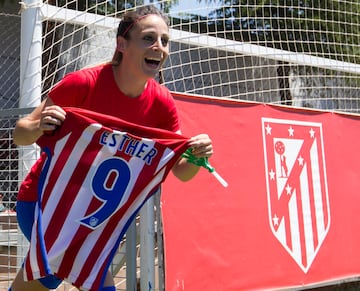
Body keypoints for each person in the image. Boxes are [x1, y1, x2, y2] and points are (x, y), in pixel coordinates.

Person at [10, 4, 213, 291]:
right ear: (121, 44)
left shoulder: (162, 104)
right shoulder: (83, 83)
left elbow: (183, 172)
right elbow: (21, 133)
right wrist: (39, 124)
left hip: (99, 218)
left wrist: (196, 155)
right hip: (45, 204)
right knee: (52, 275)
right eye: (148, 38)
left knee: (60, 278)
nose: (159, 47)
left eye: (165, 41)